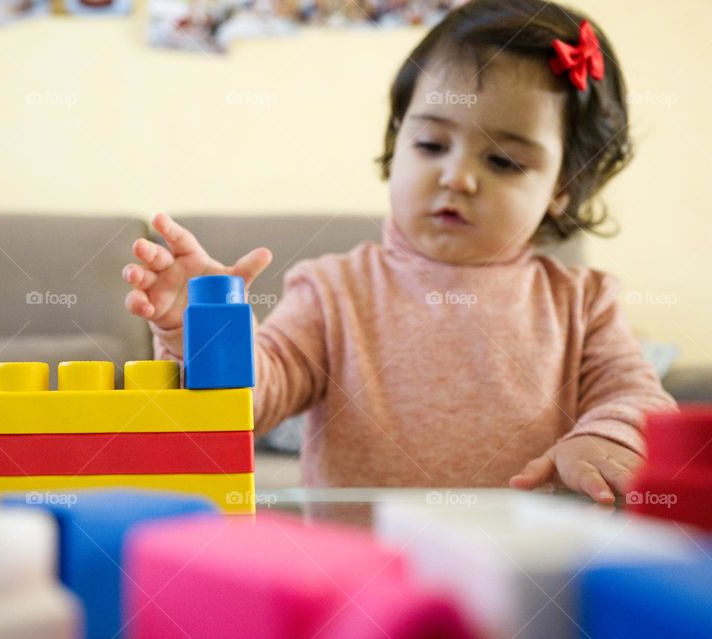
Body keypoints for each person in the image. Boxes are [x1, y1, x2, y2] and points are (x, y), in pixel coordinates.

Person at [122, 0, 674, 504]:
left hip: (517, 579)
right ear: (397, 140)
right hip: (359, 581)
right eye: (432, 144)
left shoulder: (583, 303)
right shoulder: (332, 292)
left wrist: (608, 437)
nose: (457, 177)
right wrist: (203, 325)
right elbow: (250, 403)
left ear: (563, 188)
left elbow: (638, 398)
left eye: (503, 161)